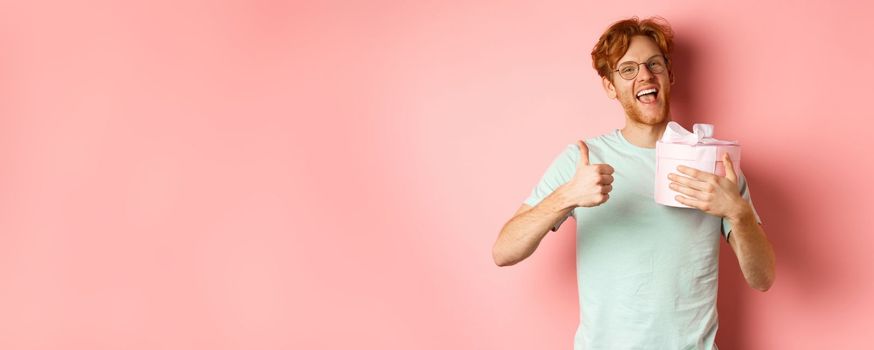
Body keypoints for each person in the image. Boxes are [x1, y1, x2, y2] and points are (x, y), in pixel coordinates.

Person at [492, 16, 776, 349]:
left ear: (669, 75)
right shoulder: (582, 158)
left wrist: (738, 213)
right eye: (628, 69)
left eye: (653, 63)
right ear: (610, 86)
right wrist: (566, 197)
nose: (644, 75)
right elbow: (504, 251)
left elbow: (763, 278)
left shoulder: (714, 161)